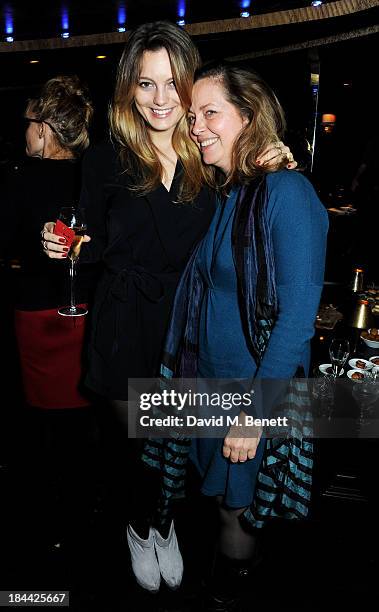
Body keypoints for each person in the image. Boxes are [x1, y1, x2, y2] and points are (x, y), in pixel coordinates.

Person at [40, 22, 295, 594]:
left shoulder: (211, 156)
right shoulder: (106, 160)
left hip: (188, 326)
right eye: (145, 84)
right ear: (129, 90)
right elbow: (92, 240)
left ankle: (163, 522)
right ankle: (140, 528)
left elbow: (257, 196)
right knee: (133, 449)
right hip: (122, 321)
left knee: (173, 448)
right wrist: (64, 245)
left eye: (172, 84)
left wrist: (273, 156)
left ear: (190, 85)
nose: (160, 100)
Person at [143, 61, 329, 609]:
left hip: (249, 393)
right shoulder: (229, 196)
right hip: (207, 388)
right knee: (218, 501)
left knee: (236, 510)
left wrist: (254, 413)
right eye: (193, 114)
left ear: (248, 117)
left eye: (210, 113)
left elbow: (298, 318)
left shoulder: (286, 192)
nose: (196, 125)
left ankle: (230, 593)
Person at [1, 75, 97, 548]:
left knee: (41, 420)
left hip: (39, 315)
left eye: (28, 124)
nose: (24, 134)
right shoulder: (96, 177)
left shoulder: (20, 179)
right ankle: (81, 509)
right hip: (87, 315)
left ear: (45, 129)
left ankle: (48, 519)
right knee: (84, 415)